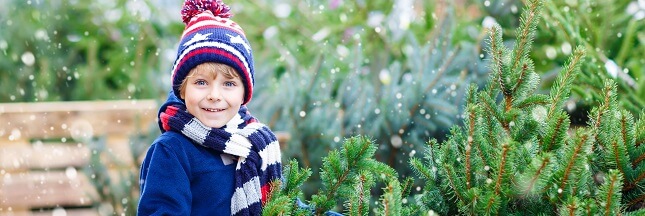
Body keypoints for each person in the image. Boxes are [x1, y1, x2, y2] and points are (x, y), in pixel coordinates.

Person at [137, 0, 282, 215]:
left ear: (244, 94)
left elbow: (282, 204)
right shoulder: (173, 151)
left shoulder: (254, 145)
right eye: (201, 82)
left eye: (229, 84)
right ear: (182, 90)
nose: (214, 96)